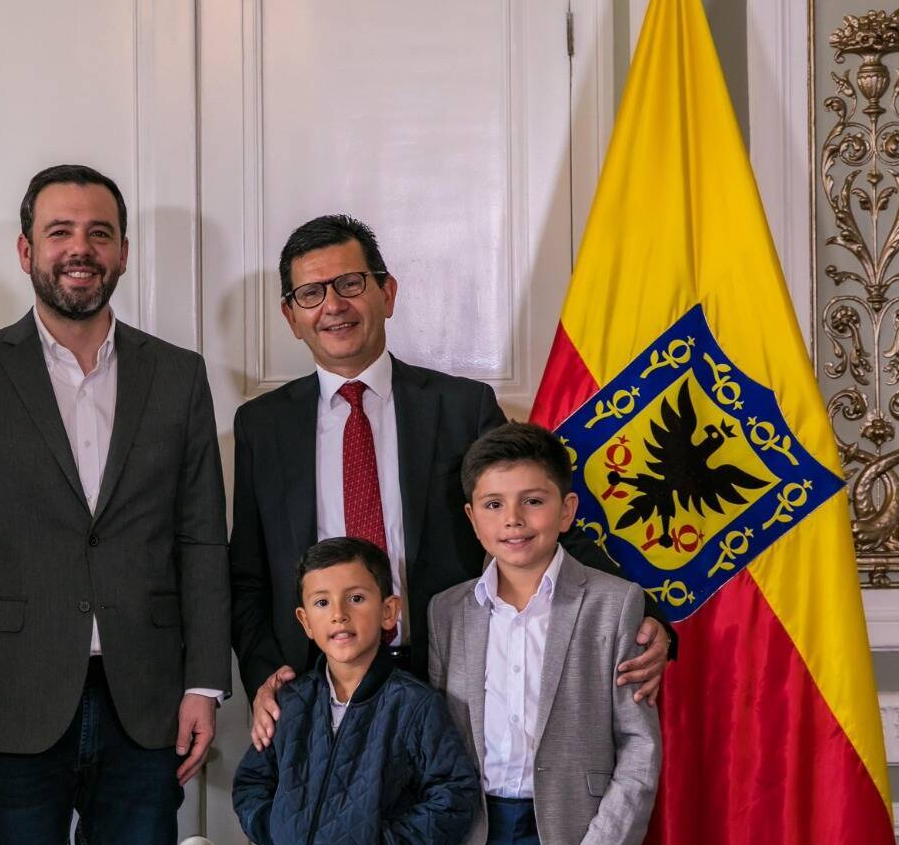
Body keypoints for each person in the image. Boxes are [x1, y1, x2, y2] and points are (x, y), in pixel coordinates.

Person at [230, 214, 672, 751]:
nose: (334, 305)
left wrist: (645, 612)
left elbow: (536, 525)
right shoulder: (261, 426)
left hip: (450, 679)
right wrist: (265, 674)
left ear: (387, 293)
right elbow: (248, 572)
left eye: (351, 284)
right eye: (311, 293)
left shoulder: (461, 408)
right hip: (316, 686)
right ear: (291, 316)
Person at [0, 164, 230, 845]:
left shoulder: (178, 375)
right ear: (26, 251)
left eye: (100, 233)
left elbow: (202, 539)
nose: (80, 248)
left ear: (123, 251)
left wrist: (204, 684)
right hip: (9, 700)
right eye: (59, 231)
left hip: (149, 702)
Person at [430, 422, 659, 845]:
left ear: (567, 510)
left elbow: (639, 744)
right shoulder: (446, 612)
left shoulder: (615, 603)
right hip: (471, 838)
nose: (513, 519)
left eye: (533, 501)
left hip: (578, 835)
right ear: (472, 518)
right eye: (493, 504)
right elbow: (441, 741)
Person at [233, 537, 478, 845]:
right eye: (322, 602)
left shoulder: (415, 705)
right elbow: (251, 783)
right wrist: (279, 829)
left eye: (357, 598)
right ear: (305, 621)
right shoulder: (289, 702)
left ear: (388, 611)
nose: (339, 614)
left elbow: (454, 795)